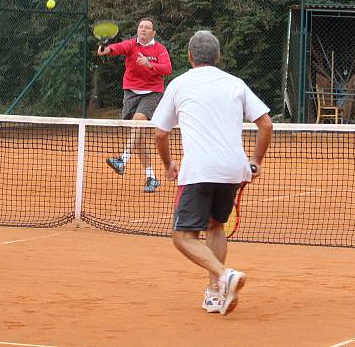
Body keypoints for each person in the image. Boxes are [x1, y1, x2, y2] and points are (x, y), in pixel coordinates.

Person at [152, 30, 273, 316]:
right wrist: (255, 161)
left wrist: (168, 164)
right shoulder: (235, 83)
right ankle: (215, 295)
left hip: (199, 171)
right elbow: (266, 125)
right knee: (215, 227)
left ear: (190, 57)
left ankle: (224, 275)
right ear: (217, 57)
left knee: (182, 236)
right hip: (233, 169)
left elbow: (159, 133)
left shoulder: (179, 84)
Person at [97, 17, 173, 192]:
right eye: (141, 27)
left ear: (153, 32)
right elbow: (117, 48)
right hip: (131, 92)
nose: (143, 30)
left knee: (138, 121)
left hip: (152, 92)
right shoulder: (132, 44)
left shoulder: (159, 49)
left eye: (147, 28)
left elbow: (167, 69)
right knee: (137, 137)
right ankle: (151, 177)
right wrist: (107, 50)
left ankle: (123, 160)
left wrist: (150, 64)